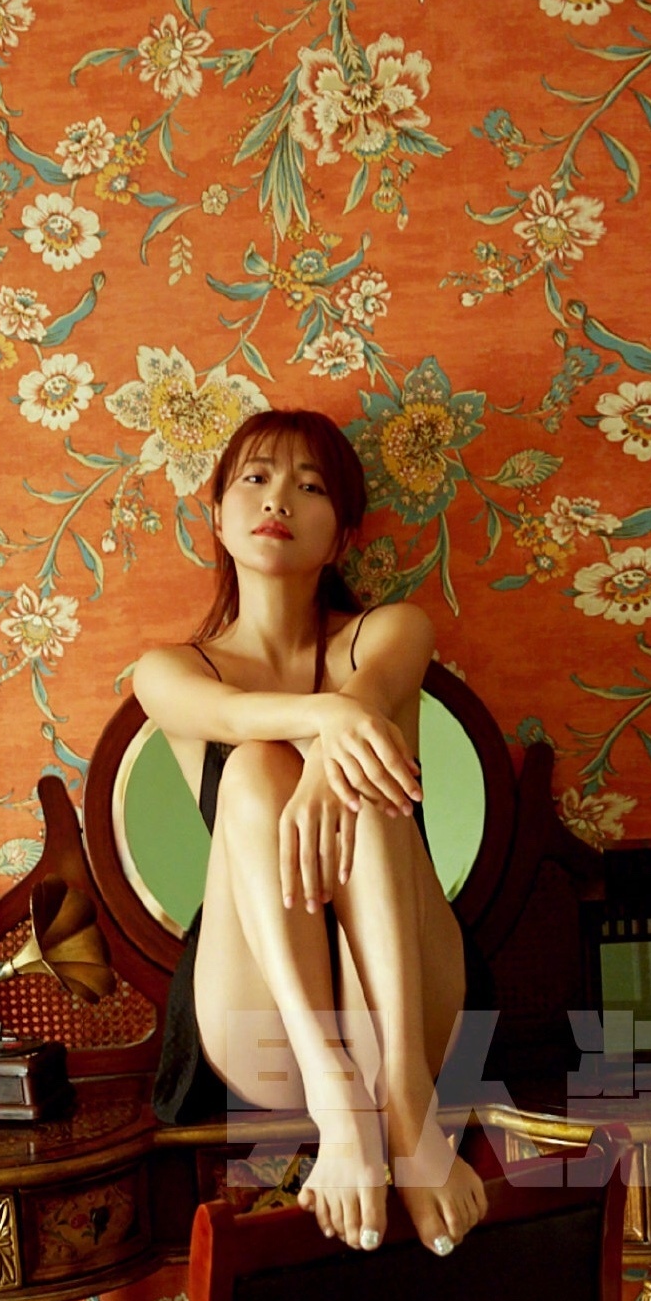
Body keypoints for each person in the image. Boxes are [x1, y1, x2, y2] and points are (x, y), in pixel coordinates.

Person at [132, 408, 487, 1257]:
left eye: (310, 485)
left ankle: (404, 1103)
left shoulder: (391, 630)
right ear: (217, 517)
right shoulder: (170, 670)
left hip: (404, 998)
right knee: (255, 765)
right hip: (261, 1016)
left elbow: (365, 702)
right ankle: (337, 1097)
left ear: (342, 537)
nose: (277, 499)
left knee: (358, 765)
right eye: (254, 479)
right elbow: (239, 718)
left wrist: (337, 735)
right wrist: (326, 721)